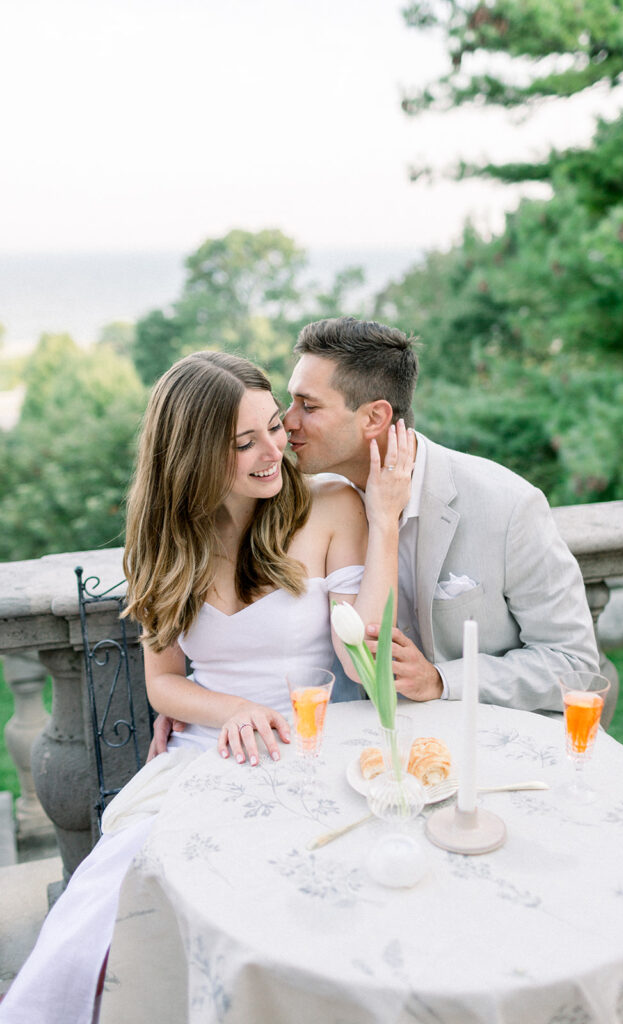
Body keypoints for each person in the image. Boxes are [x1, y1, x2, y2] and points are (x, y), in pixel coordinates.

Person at [0, 350, 411, 1024]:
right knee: (114, 899)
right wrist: (231, 710)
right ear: (192, 455)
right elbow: (163, 683)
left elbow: (363, 645)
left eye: (274, 428)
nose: (272, 451)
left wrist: (387, 519)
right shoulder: (162, 542)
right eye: (244, 443)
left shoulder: (333, 506)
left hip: (314, 744)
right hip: (207, 749)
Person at [282, 317, 599, 712]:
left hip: (486, 743)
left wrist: (441, 680)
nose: (287, 421)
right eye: (292, 400)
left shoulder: (509, 505)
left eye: (308, 406)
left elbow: (574, 663)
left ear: (374, 419)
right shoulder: (304, 505)